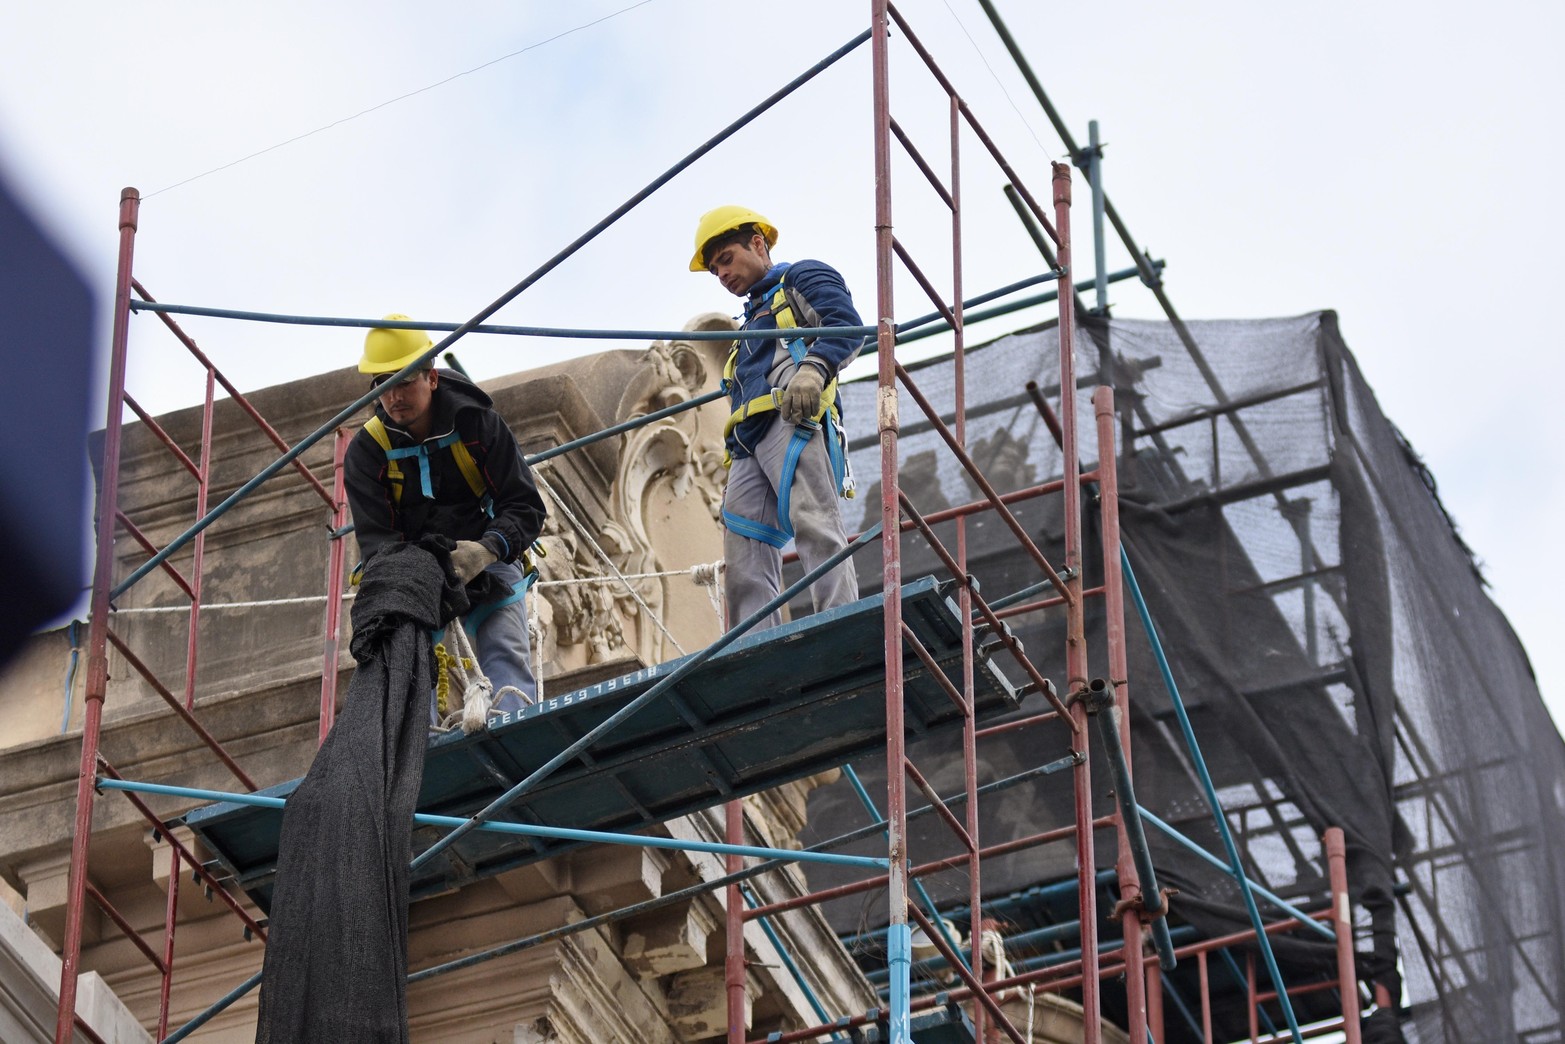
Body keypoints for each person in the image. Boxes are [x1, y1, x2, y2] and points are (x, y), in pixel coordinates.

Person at [344, 314, 547, 719]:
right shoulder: (368, 452)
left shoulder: (476, 423)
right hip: (414, 575)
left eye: (404, 381)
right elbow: (379, 542)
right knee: (407, 679)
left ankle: (515, 729)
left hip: (487, 560)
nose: (395, 396)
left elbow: (523, 505)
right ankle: (421, 760)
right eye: (384, 385)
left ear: (432, 378)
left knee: (504, 651)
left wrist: (487, 549)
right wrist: (416, 581)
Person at [689, 206, 863, 630]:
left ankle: (839, 620)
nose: (722, 274)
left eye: (726, 259)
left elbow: (847, 325)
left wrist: (815, 366)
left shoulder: (801, 277)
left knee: (814, 519)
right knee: (743, 547)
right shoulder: (748, 323)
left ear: (758, 244)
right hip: (748, 442)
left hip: (793, 418)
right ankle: (752, 641)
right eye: (714, 270)